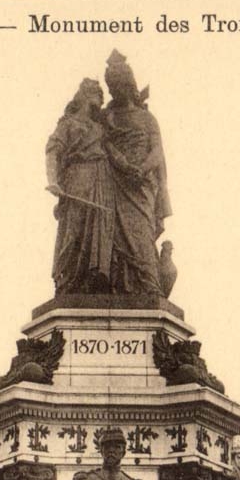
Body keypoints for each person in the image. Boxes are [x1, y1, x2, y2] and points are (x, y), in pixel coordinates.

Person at [102, 50, 171, 296]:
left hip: (141, 186)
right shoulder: (107, 118)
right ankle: (118, 285)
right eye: (111, 87)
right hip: (115, 183)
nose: (114, 91)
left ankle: (148, 284)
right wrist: (121, 163)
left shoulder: (147, 118)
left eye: (118, 85)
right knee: (113, 238)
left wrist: (140, 170)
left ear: (128, 84)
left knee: (141, 235)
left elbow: (157, 152)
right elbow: (103, 144)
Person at [45, 78, 115, 295]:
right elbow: (52, 151)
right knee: (73, 232)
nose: (101, 99)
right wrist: (53, 181)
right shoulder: (68, 124)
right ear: (85, 95)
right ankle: (65, 279)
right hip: (77, 179)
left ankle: (92, 279)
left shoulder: (99, 127)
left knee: (98, 232)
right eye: (97, 93)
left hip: (101, 180)